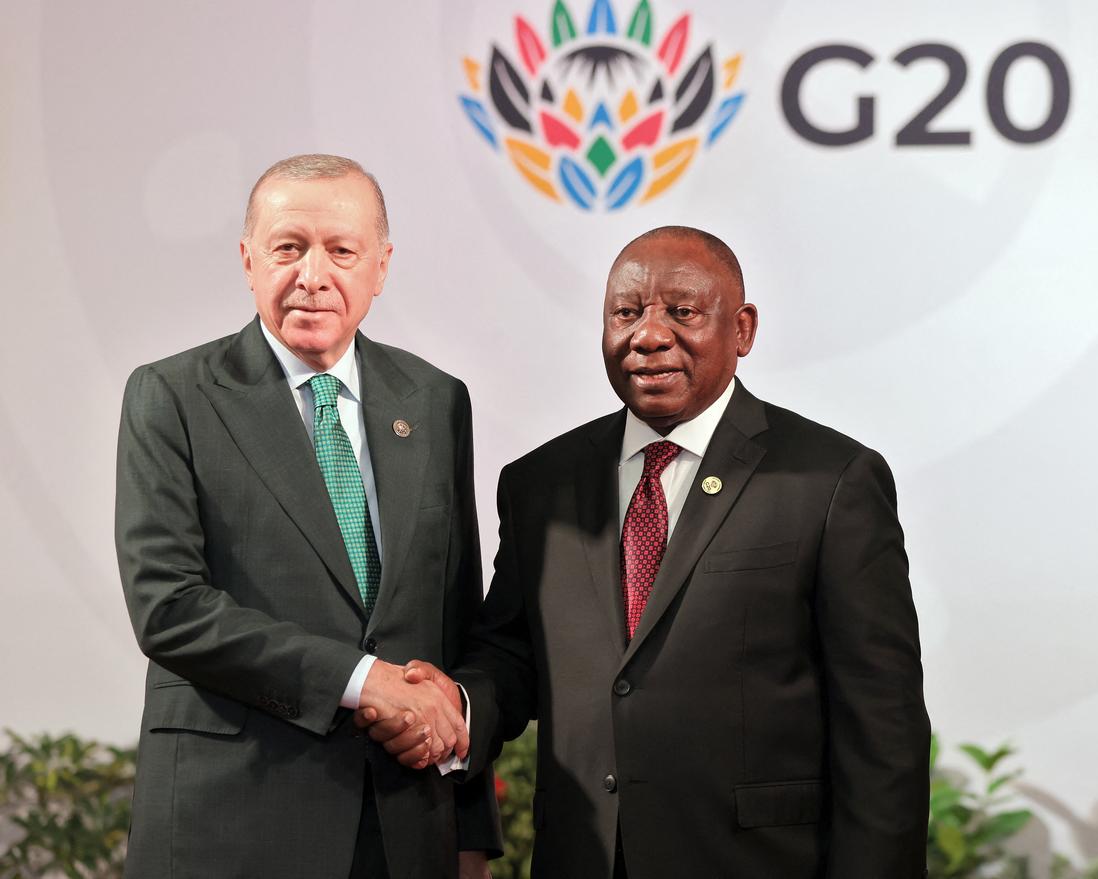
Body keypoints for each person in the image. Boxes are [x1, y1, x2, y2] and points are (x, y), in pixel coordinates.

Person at [365, 226, 931, 877]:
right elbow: (512, 652)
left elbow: (882, 732)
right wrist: (459, 706)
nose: (649, 334)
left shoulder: (830, 481)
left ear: (742, 329)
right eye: (626, 312)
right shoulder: (540, 483)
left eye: (683, 312)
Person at [115, 154, 498, 878]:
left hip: (404, 827)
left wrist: (467, 827)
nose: (313, 274)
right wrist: (363, 678)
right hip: (232, 826)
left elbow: (454, 626)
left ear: (380, 267)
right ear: (248, 259)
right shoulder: (172, 397)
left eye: (342, 250)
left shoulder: (436, 400)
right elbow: (168, 606)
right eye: (289, 247)